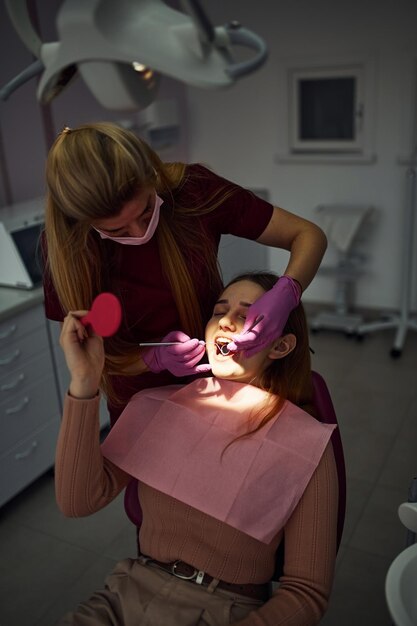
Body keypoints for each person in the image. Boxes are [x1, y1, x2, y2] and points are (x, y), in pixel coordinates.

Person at [55, 272, 339, 626]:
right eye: (219, 311)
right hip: (122, 597)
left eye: (248, 314)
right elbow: (77, 501)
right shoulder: (156, 405)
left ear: (280, 346)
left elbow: (306, 593)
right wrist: (84, 380)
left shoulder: (306, 444)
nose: (226, 320)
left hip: (225, 612)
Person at [42, 122, 327, 425]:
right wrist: (151, 359)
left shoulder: (194, 192)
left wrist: (288, 292)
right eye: (118, 230)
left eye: (146, 212)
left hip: (215, 395)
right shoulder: (66, 252)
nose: (140, 233)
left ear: (152, 176)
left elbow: (307, 235)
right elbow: (92, 357)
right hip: (140, 410)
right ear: (84, 222)